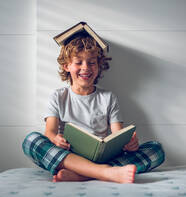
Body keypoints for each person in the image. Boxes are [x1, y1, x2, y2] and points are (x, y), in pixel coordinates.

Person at [22, 34, 165, 184]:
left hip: (101, 156)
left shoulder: (108, 98)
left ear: (98, 66)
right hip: (68, 156)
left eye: (91, 63)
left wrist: (129, 144)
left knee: (156, 149)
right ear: (67, 66)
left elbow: (118, 136)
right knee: (31, 140)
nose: (85, 67)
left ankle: (82, 175)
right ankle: (105, 172)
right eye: (79, 62)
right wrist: (56, 139)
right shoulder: (58, 96)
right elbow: (49, 132)